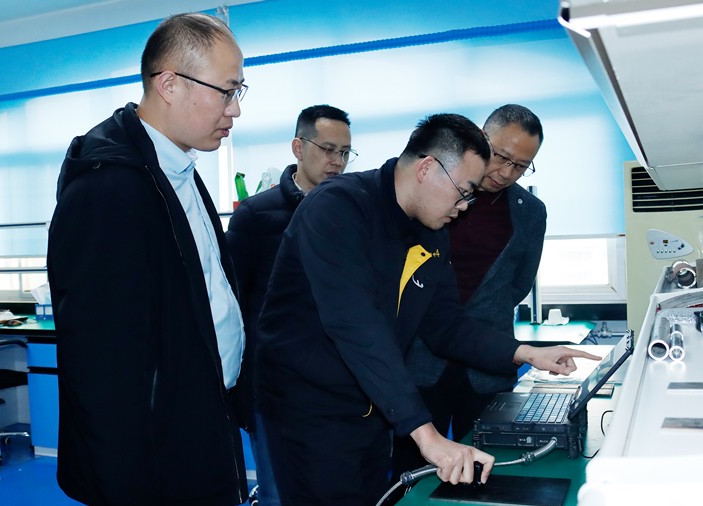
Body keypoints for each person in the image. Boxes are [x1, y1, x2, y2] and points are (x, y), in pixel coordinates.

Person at [254, 113, 599, 505]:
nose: (465, 206)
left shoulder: (430, 231)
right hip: (310, 409)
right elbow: (356, 326)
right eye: (463, 192)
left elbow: (445, 323)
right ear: (427, 168)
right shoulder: (338, 207)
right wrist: (426, 433)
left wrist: (525, 352)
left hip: (371, 407)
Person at [47, 13, 250, 506]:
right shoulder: (107, 190)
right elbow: (100, 365)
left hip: (202, 424)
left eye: (239, 91)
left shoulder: (176, 170)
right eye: (227, 91)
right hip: (156, 463)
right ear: (170, 85)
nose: (235, 110)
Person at [393, 104, 547, 476]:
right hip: (419, 357)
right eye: (501, 157)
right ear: (481, 138)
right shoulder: (432, 192)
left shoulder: (531, 211)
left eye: (521, 166)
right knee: (413, 470)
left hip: (487, 366)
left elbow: (519, 284)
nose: (506, 172)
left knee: (486, 470)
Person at [226, 104, 354, 505]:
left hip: (336, 388)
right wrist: (243, 390)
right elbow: (234, 306)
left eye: (345, 152)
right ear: (299, 147)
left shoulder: (353, 213)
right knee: (279, 494)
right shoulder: (255, 216)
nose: (337, 161)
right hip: (274, 390)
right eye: (328, 149)